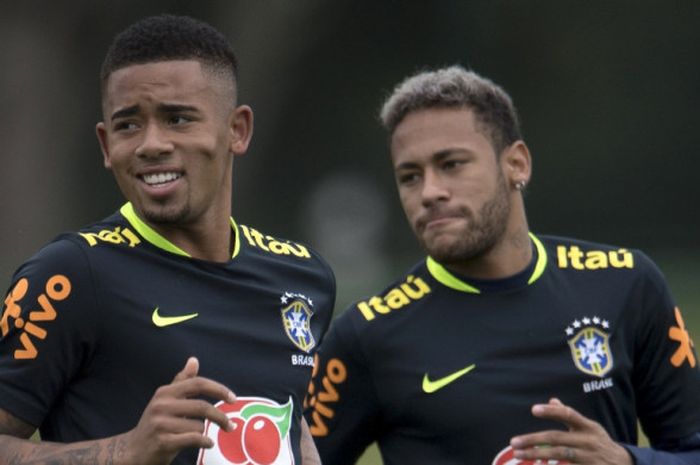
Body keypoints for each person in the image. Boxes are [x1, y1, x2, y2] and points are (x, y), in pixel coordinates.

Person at [304, 66, 700, 465]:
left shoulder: (626, 284)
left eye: (452, 164)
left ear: (517, 164)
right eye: (410, 177)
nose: (429, 192)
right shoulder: (368, 336)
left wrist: (628, 462)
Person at [0, 14, 335, 465]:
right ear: (105, 145)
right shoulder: (71, 274)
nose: (151, 144)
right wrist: (128, 451)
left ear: (238, 130)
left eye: (177, 118)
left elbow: (294, 435)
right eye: (128, 125)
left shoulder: (303, 277)